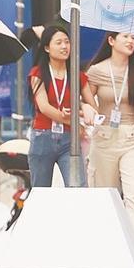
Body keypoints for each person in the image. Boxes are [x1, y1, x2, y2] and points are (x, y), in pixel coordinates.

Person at [86, 32, 134, 247]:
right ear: (111, 41)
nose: (131, 41)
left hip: (133, 136)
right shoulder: (96, 70)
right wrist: (87, 111)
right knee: (105, 194)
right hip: (104, 137)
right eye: (125, 37)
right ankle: (104, 244)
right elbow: (85, 99)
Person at [28, 25, 97, 187]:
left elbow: (93, 108)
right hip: (43, 136)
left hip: (69, 140)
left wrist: (83, 108)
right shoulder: (38, 73)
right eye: (58, 43)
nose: (64, 46)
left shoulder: (78, 75)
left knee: (77, 187)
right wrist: (72, 122)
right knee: (40, 191)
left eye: (67, 42)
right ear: (47, 48)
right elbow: (44, 107)